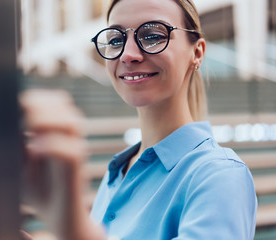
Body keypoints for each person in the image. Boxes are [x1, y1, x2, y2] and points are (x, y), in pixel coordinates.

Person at [21, 0, 257, 239]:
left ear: (196, 53)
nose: (128, 54)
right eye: (116, 40)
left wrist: (71, 225)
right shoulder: (119, 170)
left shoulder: (220, 175)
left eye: (153, 36)